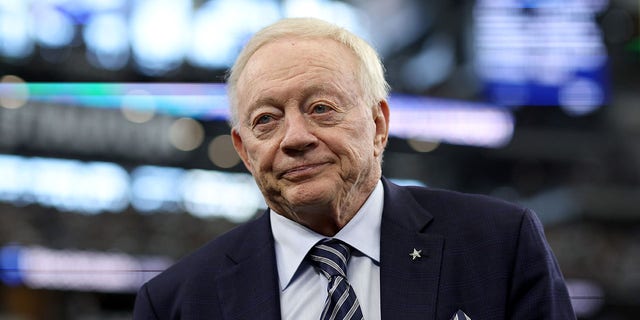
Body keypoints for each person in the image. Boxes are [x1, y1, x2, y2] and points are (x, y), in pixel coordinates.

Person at [133, 17, 575, 320]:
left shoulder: (499, 244)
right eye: (266, 120)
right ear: (245, 152)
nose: (295, 137)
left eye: (321, 108)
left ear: (378, 124)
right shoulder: (176, 302)